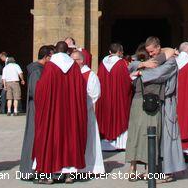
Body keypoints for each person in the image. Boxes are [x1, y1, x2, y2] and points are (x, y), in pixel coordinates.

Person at [127, 37, 185, 181]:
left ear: (158, 48)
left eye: (152, 52)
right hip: (159, 103)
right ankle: (156, 170)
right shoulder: (158, 58)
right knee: (157, 139)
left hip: (168, 102)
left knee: (167, 138)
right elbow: (131, 63)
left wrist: (140, 72)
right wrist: (143, 63)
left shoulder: (171, 62)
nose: (151, 55)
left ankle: (168, 172)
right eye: (148, 52)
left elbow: (158, 74)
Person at [32, 40, 87, 178]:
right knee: (70, 137)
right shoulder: (74, 66)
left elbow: (41, 90)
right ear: (67, 50)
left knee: (52, 136)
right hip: (70, 111)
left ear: (55, 50)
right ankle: (69, 174)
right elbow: (81, 88)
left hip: (53, 111)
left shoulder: (50, 66)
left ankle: (49, 173)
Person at [19, 45, 52, 180]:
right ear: (45, 57)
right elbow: (35, 91)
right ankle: (29, 170)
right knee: (33, 137)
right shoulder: (36, 71)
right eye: (51, 56)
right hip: (36, 108)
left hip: (39, 107)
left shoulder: (41, 69)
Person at [72, 49, 105, 177]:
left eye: (74, 59)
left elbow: (95, 94)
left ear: (81, 60)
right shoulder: (71, 73)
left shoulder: (90, 75)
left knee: (89, 140)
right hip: (74, 114)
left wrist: (82, 105)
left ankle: (90, 166)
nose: (72, 62)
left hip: (86, 112)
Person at [96, 42, 131, 152]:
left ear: (110, 52)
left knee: (105, 116)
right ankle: (120, 143)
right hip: (118, 97)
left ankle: (106, 142)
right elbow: (126, 82)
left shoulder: (102, 63)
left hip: (105, 98)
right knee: (119, 114)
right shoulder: (121, 63)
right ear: (120, 52)